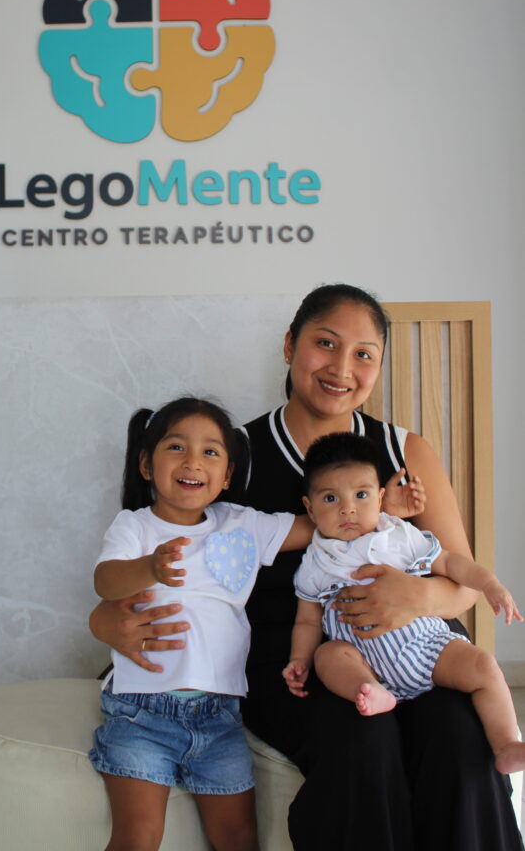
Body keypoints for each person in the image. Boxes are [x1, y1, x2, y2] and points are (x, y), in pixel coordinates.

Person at [89, 284, 525, 851]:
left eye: (364, 354)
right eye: (326, 343)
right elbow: (171, 553)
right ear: (290, 345)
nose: (342, 368)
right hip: (296, 658)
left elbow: (461, 581)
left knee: (460, 735)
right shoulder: (232, 455)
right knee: (364, 740)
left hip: (415, 642)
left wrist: (418, 598)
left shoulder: (405, 451)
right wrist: (105, 622)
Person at [88, 396, 316, 851]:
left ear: (227, 474)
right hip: (141, 713)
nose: (193, 461)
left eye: (210, 451)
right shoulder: (136, 527)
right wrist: (149, 568)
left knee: (239, 838)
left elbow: (316, 525)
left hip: (219, 718)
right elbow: (105, 581)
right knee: (138, 836)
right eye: (176, 447)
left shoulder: (241, 525)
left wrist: (377, 508)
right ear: (146, 464)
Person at [283, 431, 525, 776]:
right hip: (364, 662)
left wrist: (489, 584)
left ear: (380, 498)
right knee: (328, 656)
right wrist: (299, 658)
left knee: (484, 666)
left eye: (361, 495)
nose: (348, 508)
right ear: (310, 507)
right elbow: (307, 620)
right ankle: (371, 691)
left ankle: (506, 745)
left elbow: (449, 562)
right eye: (331, 498)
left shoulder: (397, 535)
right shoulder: (316, 561)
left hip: (426, 647)